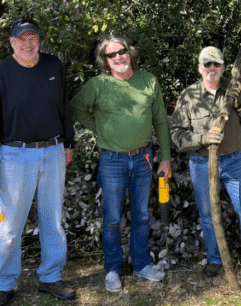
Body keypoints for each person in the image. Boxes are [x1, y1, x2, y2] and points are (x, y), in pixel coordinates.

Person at [0, 19, 76, 306]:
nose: (27, 43)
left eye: (32, 37)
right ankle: (4, 284)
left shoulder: (53, 65)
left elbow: (64, 105)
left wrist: (68, 143)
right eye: (21, 39)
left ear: (39, 40)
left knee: (53, 220)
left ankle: (50, 277)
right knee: (10, 226)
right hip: (15, 156)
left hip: (53, 151)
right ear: (11, 42)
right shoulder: (0, 74)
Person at [71, 35, 172, 292]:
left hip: (144, 158)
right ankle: (113, 269)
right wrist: (99, 130)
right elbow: (76, 108)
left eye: (122, 51)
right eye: (111, 54)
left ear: (130, 52)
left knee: (141, 216)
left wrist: (167, 158)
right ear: (105, 61)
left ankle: (141, 264)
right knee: (112, 218)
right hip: (112, 160)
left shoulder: (148, 81)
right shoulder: (97, 85)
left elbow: (160, 121)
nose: (118, 57)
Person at [169, 46, 241, 280]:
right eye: (207, 64)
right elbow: (176, 132)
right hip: (202, 163)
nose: (212, 68)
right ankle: (216, 259)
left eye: (217, 64)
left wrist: (237, 105)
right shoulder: (188, 96)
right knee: (208, 214)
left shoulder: (235, 89)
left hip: (234, 161)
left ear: (224, 67)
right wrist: (202, 139)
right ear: (200, 68)